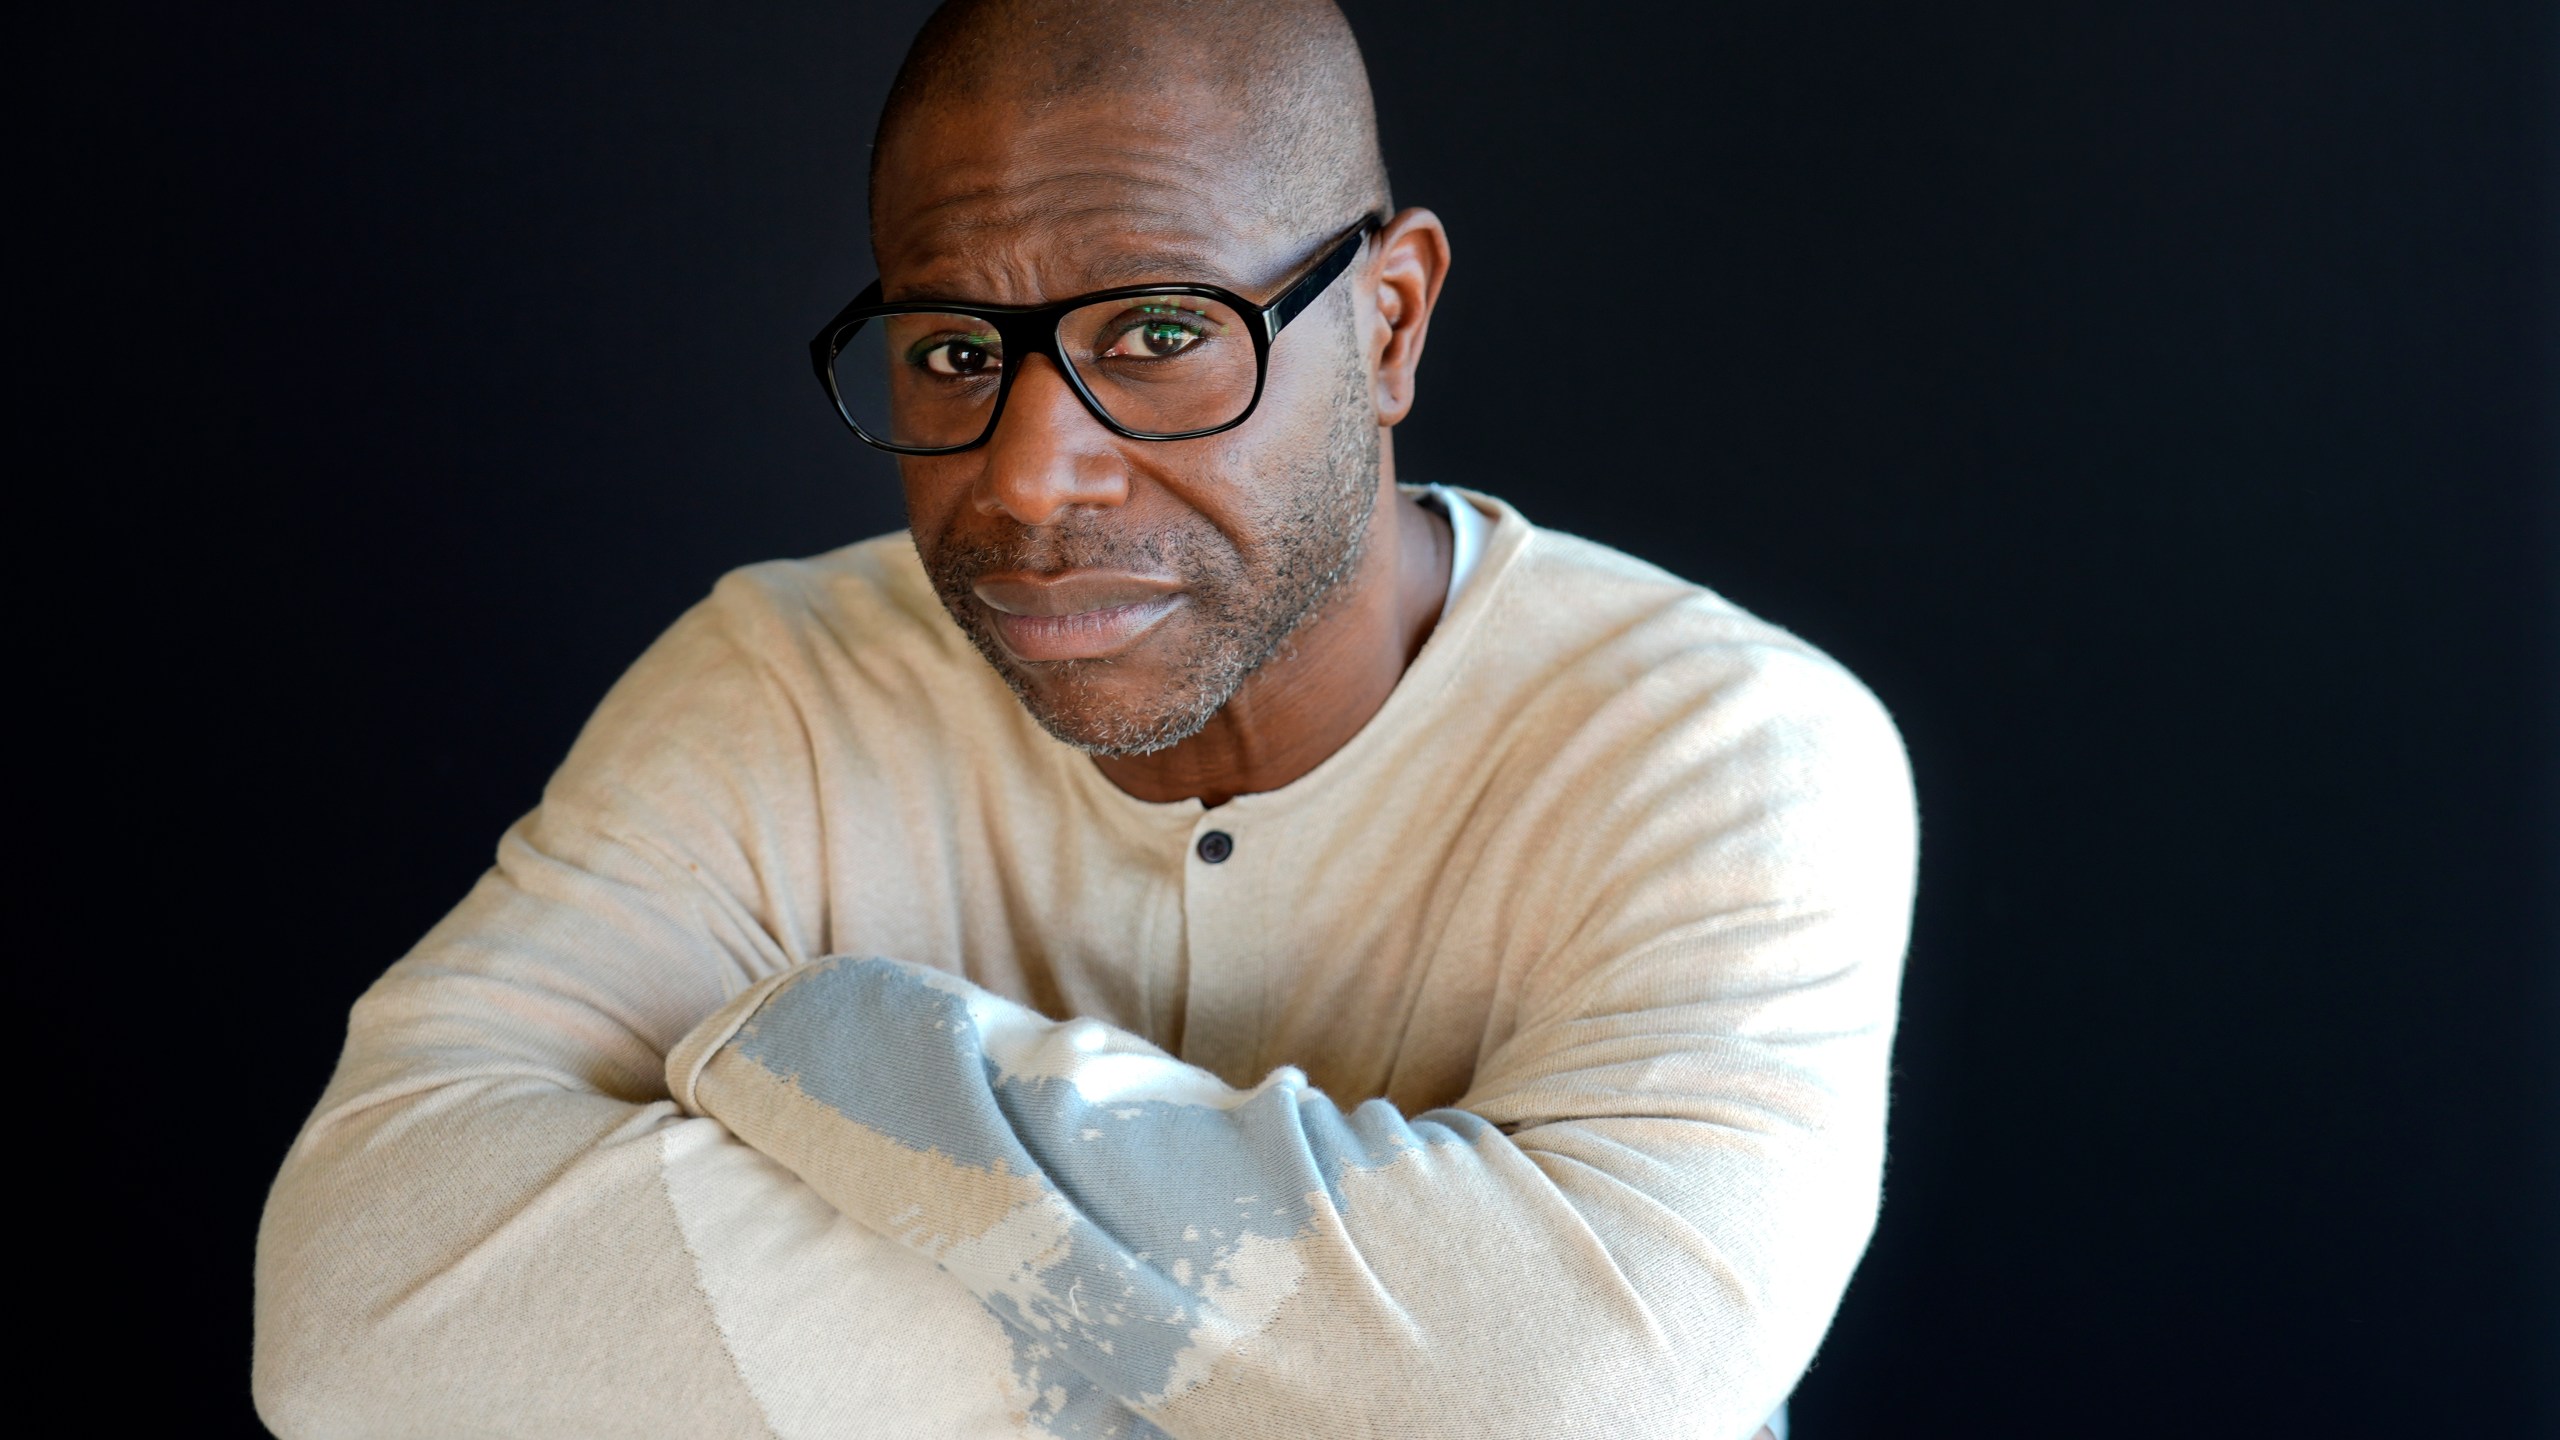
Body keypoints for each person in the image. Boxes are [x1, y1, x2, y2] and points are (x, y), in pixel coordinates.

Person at [252, 2, 1915, 1436]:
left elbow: (1569, 1397)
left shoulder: (1727, 754)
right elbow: (352, 1320)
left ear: (1390, 319)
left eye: (1166, 331)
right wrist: (1332, 1380)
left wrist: (854, 1055)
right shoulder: (781, 682)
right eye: (956, 353)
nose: (1031, 477)